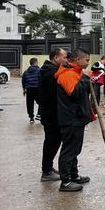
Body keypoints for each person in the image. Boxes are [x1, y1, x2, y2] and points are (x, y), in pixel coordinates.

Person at [55, 48, 93, 192]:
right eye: (86, 60)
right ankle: (65, 182)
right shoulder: (67, 75)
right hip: (70, 119)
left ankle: (73, 175)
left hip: (76, 118)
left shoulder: (76, 73)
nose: (88, 63)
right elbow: (76, 93)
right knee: (69, 150)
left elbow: (83, 91)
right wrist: (84, 78)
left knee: (74, 149)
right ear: (78, 60)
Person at [38, 48, 67, 182]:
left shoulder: (48, 70)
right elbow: (54, 95)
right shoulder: (50, 72)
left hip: (50, 112)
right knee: (52, 141)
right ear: (56, 58)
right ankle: (47, 171)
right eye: (64, 57)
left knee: (53, 141)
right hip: (51, 113)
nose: (66, 60)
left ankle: (48, 167)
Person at [22, 58, 41, 123]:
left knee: (29, 104)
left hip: (29, 90)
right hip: (37, 89)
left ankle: (31, 118)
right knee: (42, 102)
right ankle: (39, 114)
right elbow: (41, 80)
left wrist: (24, 89)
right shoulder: (39, 70)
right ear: (35, 63)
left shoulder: (26, 72)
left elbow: (23, 81)